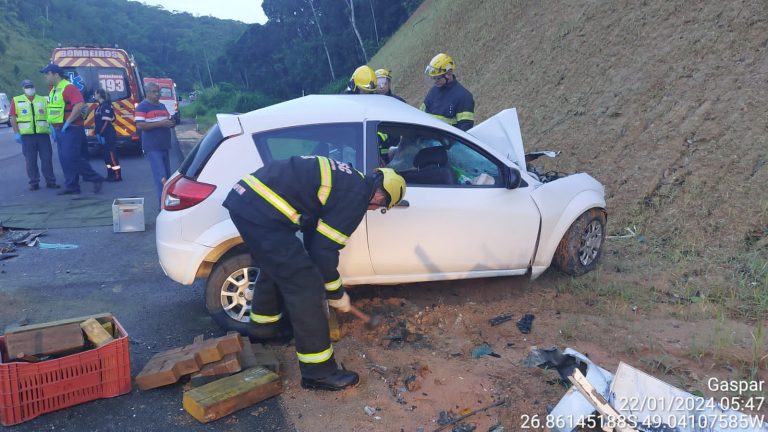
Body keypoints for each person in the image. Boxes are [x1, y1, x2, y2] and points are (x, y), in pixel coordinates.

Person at [223, 156, 406, 391]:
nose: (373, 209)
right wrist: (336, 292)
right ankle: (318, 372)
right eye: (380, 206)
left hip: (246, 201)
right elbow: (324, 250)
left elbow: (314, 236)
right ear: (381, 196)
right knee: (306, 287)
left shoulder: (350, 180)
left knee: (277, 267)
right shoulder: (356, 198)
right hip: (262, 214)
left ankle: (264, 330)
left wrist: (328, 282)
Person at [40, 63, 103, 195]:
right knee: (64, 159)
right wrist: (53, 127)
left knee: (71, 157)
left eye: (47, 74)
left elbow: (79, 105)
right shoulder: (53, 90)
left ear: (56, 74)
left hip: (71, 129)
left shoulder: (68, 88)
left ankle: (94, 177)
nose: (45, 76)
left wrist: (68, 122)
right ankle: (72, 186)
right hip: (60, 129)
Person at [9, 79, 59, 190]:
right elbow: (12, 118)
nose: (29, 89)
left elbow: (50, 114)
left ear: (34, 87)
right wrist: (17, 133)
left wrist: (53, 128)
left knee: (47, 159)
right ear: (23, 88)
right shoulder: (16, 100)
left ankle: (50, 181)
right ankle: (34, 182)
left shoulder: (43, 99)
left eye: (31, 86)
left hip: (43, 135)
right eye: (27, 87)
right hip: (27, 136)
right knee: (30, 161)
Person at [135, 82, 175, 205]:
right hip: (152, 147)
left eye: (158, 91)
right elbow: (140, 125)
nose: (157, 94)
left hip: (164, 145)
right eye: (154, 91)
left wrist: (172, 122)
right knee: (161, 178)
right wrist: (161, 124)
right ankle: (162, 205)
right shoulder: (142, 107)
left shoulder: (162, 106)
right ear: (147, 93)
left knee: (168, 177)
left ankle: (167, 202)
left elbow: (167, 120)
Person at [420, 53, 476, 131]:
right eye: (433, 78)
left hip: (446, 142)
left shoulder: (464, 97)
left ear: (449, 74)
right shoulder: (433, 91)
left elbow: (465, 130)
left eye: (438, 78)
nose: (435, 82)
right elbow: (420, 115)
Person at [94, 89, 122, 182]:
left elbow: (107, 121)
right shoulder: (99, 107)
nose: (94, 95)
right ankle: (110, 174)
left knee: (111, 155)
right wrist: (96, 132)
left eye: (95, 93)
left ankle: (117, 175)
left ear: (99, 94)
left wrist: (101, 132)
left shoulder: (106, 106)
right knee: (106, 157)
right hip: (102, 135)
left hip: (108, 134)